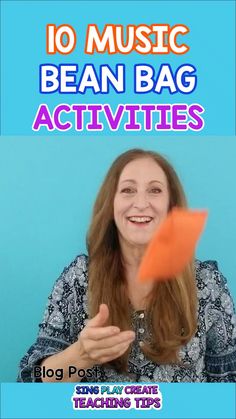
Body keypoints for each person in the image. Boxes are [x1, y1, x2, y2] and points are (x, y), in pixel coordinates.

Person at [17, 148, 236, 382]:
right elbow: (32, 384)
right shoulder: (79, 279)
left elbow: (228, 387)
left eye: (154, 190)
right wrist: (81, 355)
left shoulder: (206, 283)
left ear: (171, 206)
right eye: (128, 190)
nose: (141, 203)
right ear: (111, 205)